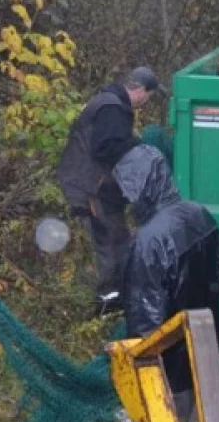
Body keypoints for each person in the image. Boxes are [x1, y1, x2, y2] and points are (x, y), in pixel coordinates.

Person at [114, 145, 219, 422]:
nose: (127, 200)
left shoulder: (149, 241)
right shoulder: (199, 214)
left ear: (142, 188)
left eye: (129, 191)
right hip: (204, 347)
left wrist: (141, 367)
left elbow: (146, 318)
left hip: (169, 365)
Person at [57, 66, 165, 310]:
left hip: (88, 184)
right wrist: (137, 149)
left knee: (115, 240)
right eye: (148, 96)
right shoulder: (113, 109)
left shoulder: (108, 102)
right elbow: (105, 148)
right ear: (139, 91)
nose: (146, 102)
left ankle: (109, 301)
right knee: (109, 244)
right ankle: (103, 306)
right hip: (90, 188)